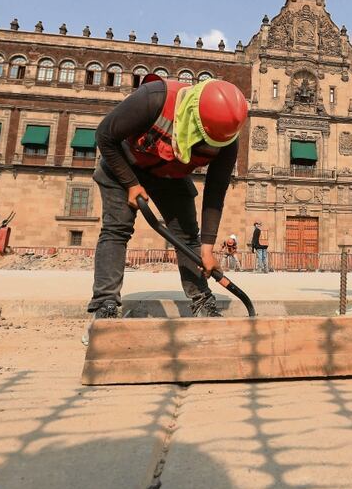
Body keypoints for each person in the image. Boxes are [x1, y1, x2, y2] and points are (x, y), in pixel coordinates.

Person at [88, 76, 248, 319]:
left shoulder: (227, 137)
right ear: (195, 121)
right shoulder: (153, 99)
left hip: (170, 172)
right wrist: (131, 184)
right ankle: (105, 305)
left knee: (186, 235)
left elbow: (216, 192)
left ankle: (202, 301)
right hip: (123, 164)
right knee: (117, 228)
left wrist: (207, 247)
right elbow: (104, 135)